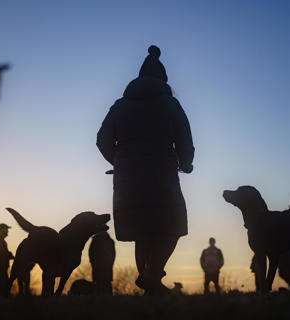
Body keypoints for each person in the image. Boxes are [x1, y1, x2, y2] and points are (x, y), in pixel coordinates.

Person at [97, 45, 194, 295]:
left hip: (127, 177)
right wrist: (186, 163)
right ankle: (152, 275)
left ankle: (148, 281)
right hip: (162, 172)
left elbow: (102, 139)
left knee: (142, 230)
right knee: (171, 226)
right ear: (163, 80)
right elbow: (184, 137)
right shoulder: (170, 103)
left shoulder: (120, 105)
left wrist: (117, 162)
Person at [0, 224, 14, 297]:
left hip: (1, 267)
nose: (7, 232)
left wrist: (9, 255)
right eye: (6, 230)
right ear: (1, 230)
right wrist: (10, 255)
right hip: (0, 267)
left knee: (2, 284)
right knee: (2, 285)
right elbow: (1, 253)